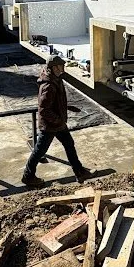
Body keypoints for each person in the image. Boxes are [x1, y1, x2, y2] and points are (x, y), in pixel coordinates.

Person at [22, 55, 90, 187]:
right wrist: (58, 120)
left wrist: (66, 108)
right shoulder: (48, 85)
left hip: (57, 124)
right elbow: (44, 110)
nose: (63, 68)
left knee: (69, 144)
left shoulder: (55, 78)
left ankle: (79, 171)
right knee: (40, 151)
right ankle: (28, 176)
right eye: (61, 66)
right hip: (50, 125)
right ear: (54, 67)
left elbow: (54, 103)